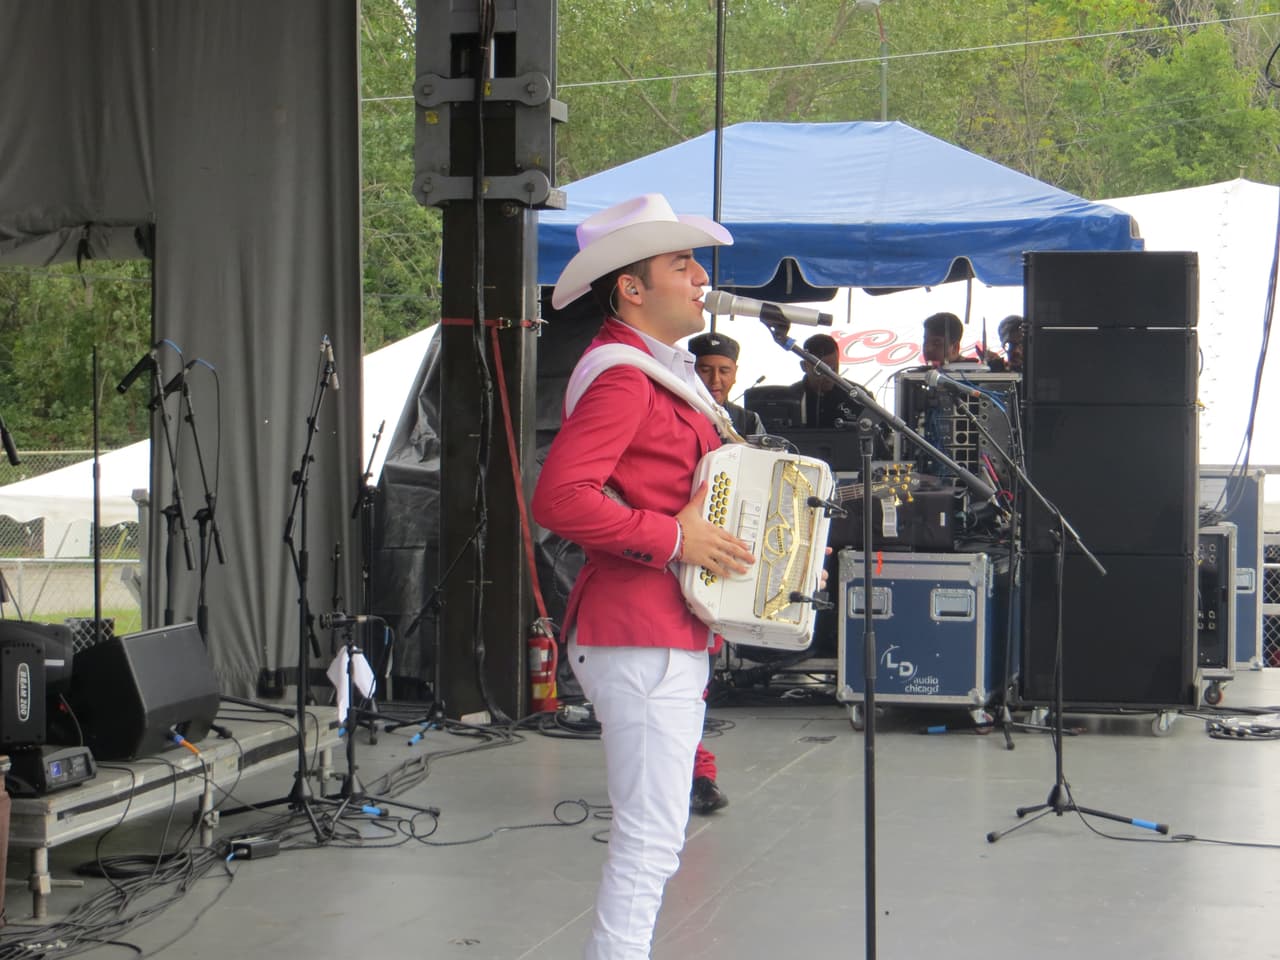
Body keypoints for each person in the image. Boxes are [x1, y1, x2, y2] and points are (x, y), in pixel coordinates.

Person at [532, 193, 756, 959]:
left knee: (655, 833)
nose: (701, 277)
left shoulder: (663, 373)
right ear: (632, 287)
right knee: (651, 835)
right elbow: (560, 498)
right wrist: (673, 538)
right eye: (681, 263)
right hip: (638, 627)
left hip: (659, 626)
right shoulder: (626, 378)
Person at [689, 331, 764, 438]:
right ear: (690, 370)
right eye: (705, 370)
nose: (715, 379)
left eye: (724, 371)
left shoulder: (749, 421)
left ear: (735, 373)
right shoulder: (673, 412)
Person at [786, 332, 848, 427]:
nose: (828, 377)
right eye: (820, 370)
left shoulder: (856, 397)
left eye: (833, 370)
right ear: (804, 366)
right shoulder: (788, 398)